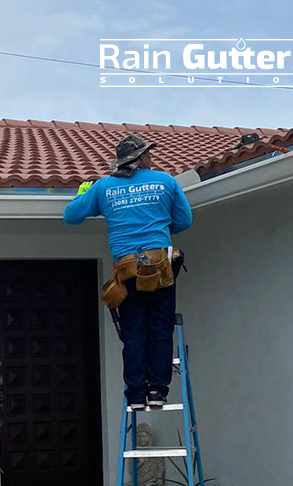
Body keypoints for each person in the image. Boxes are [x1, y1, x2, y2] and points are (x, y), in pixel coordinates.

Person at [63, 134, 193, 410]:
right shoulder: (166, 181)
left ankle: (135, 394)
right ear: (142, 157)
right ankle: (157, 391)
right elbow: (184, 220)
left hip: (127, 270)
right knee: (160, 329)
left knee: (133, 332)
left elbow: (71, 216)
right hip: (159, 268)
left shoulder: (103, 187)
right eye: (148, 154)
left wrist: (83, 194)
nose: (151, 158)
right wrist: (157, 225)